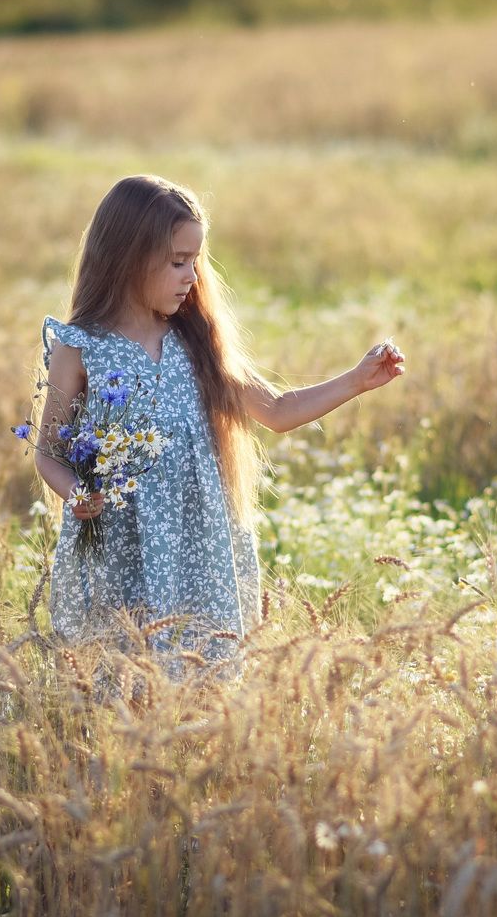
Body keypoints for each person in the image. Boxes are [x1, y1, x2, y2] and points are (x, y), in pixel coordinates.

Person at [34, 174, 405, 672]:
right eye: (177, 262)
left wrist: (356, 381)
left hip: (199, 544)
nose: (192, 276)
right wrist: (76, 494)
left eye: (196, 261)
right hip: (121, 547)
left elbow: (275, 410)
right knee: (123, 679)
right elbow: (48, 453)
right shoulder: (80, 347)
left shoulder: (196, 342)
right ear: (127, 257)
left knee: (203, 676)